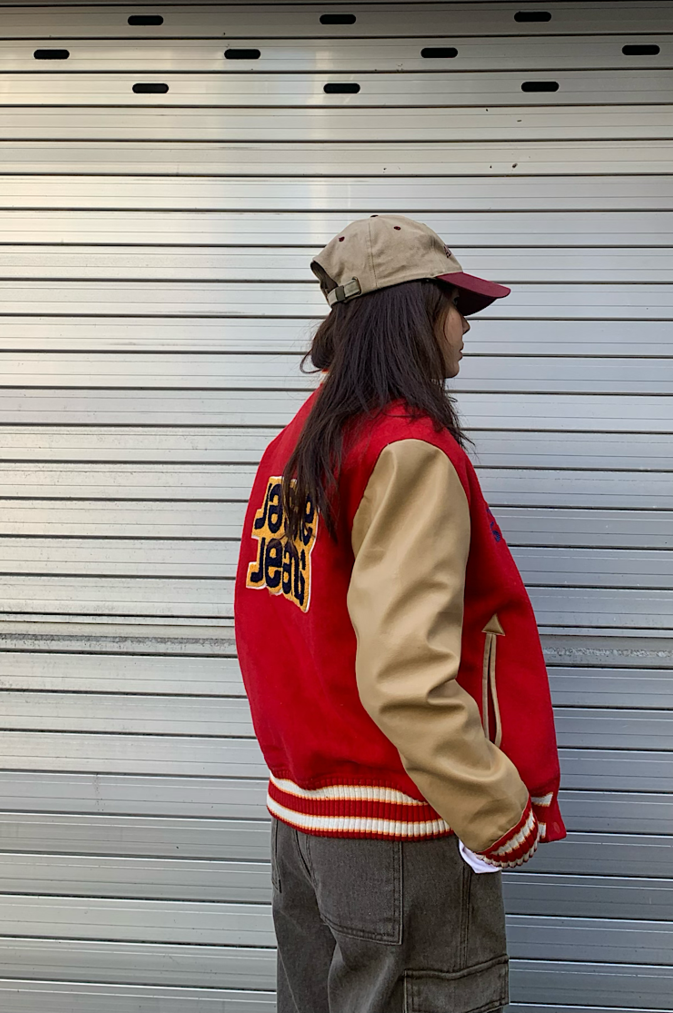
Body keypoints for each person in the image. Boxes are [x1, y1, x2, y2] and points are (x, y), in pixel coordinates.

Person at [235, 215, 565, 1013]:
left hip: (308, 822)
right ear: (411, 312)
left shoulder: (299, 442)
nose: (466, 327)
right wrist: (498, 811)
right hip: (398, 831)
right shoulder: (406, 449)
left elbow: (276, 632)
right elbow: (407, 678)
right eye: (456, 305)